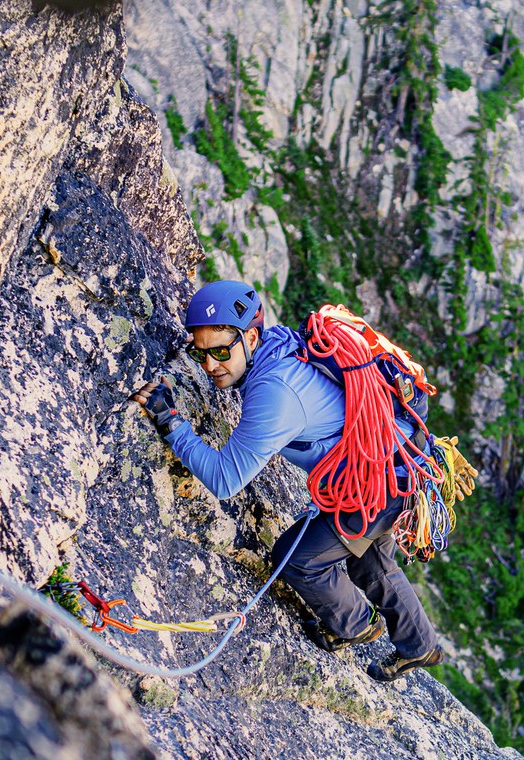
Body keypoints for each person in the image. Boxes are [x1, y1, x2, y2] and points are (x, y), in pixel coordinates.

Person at [131, 280, 446, 683]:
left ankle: (355, 626)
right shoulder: (280, 345)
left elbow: (226, 479)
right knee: (368, 558)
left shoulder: (273, 391)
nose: (210, 365)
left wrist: (171, 423)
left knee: (298, 559)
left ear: (250, 337)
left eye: (221, 352)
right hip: (398, 462)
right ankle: (420, 645)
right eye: (200, 352)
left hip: (379, 482)